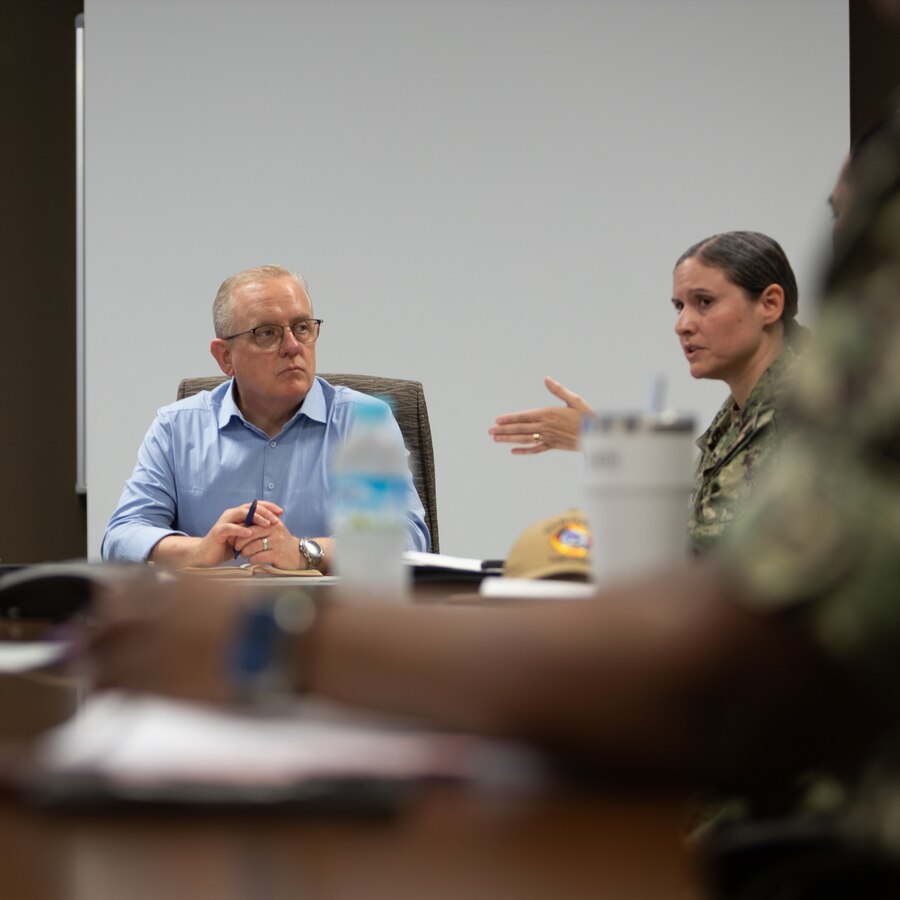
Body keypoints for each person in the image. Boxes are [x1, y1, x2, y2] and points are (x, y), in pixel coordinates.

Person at [489, 232, 808, 552]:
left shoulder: (803, 411)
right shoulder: (745, 408)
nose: (682, 324)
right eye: (679, 306)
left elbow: (701, 555)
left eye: (705, 302)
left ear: (770, 304)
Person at [101, 265, 430, 570]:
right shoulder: (178, 428)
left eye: (302, 328)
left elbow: (403, 542)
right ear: (225, 356)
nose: (292, 346)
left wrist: (302, 551)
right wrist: (199, 551)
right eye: (267, 333)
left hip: (333, 624)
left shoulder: (359, 423)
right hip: (212, 623)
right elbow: (122, 535)